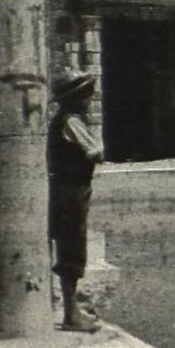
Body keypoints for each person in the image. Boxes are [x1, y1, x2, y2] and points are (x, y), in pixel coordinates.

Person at [47, 69, 103, 332]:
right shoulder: (72, 122)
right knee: (72, 248)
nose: (88, 100)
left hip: (64, 187)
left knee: (67, 245)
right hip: (72, 190)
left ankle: (70, 309)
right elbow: (95, 152)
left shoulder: (62, 119)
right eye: (84, 95)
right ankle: (71, 313)